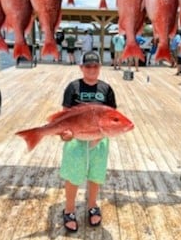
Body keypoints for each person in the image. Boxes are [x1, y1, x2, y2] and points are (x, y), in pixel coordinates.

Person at [60, 50, 117, 232]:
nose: (91, 69)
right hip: (76, 139)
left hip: (99, 139)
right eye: (88, 66)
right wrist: (65, 133)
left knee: (96, 173)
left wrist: (103, 134)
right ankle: (69, 209)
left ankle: (92, 204)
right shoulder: (73, 87)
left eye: (95, 66)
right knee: (73, 174)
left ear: (100, 67)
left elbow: (113, 116)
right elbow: (64, 116)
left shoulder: (106, 89)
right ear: (81, 67)